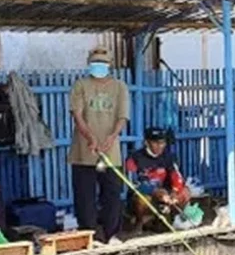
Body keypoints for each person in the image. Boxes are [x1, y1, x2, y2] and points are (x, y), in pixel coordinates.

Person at [69, 47, 130, 243]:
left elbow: (122, 116)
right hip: (84, 150)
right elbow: (77, 115)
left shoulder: (120, 87)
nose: (99, 67)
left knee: (112, 195)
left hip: (110, 151)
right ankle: (89, 235)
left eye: (103, 64)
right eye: (95, 63)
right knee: (85, 197)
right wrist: (89, 137)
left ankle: (112, 234)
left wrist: (112, 137)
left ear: (109, 65)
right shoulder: (80, 85)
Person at [125, 127, 190, 233]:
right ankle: (139, 222)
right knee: (141, 199)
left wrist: (174, 192)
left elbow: (176, 176)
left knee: (185, 192)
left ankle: (169, 219)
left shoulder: (169, 156)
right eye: (155, 143)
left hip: (166, 195)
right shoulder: (134, 157)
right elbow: (133, 182)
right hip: (147, 195)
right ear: (147, 142)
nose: (160, 146)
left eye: (162, 143)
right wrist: (154, 191)